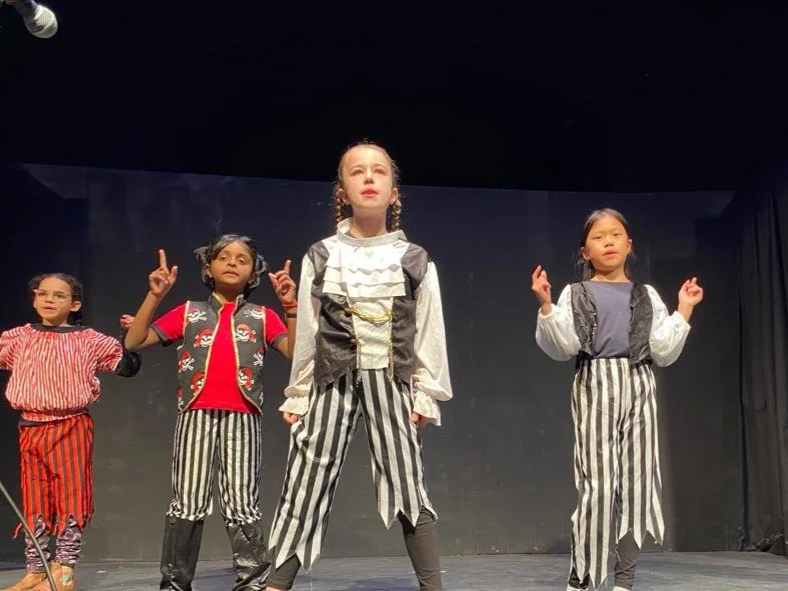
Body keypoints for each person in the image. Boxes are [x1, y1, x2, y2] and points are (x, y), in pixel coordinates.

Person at [266, 142, 452, 591]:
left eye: (379, 171)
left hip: (392, 379)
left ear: (393, 192)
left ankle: (433, 586)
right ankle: (275, 584)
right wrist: (300, 391)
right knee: (307, 477)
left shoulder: (415, 259)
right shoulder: (321, 256)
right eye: (357, 171)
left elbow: (430, 330)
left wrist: (427, 391)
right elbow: (309, 330)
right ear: (343, 192)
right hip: (333, 377)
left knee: (407, 481)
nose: (369, 177)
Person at [532, 208, 704, 591]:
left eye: (615, 235)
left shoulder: (646, 294)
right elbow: (563, 346)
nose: (608, 242)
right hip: (596, 382)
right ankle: (582, 578)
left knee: (638, 481)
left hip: (639, 381)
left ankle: (625, 579)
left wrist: (684, 310)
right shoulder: (576, 293)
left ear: (629, 245)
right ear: (585, 251)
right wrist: (546, 305)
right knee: (597, 483)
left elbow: (662, 350)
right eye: (598, 237)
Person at [123, 235, 296, 591]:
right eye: (224, 257)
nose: (232, 263)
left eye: (242, 259)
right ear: (208, 267)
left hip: (243, 415)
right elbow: (134, 341)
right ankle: (175, 584)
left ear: (254, 274)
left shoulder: (262, 317)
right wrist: (155, 296)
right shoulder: (189, 312)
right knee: (187, 500)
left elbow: (296, 353)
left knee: (242, 502)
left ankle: (252, 582)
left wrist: (290, 307)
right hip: (195, 413)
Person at [0, 273, 141, 591]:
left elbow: (126, 366)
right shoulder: (19, 337)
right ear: (34, 299)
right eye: (43, 294)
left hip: (69, 426)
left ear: (74, 304)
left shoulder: (87, 339)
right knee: (35, 499)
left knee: (71, 497)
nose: (49, 300)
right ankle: (36, 569)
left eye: (58, 295)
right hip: (30, 426)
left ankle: (63, 570)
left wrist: (129, 337)